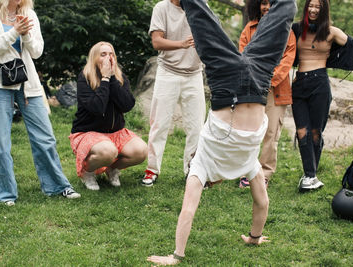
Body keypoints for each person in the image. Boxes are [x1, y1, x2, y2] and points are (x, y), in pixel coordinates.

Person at [147, 0, 296, 265]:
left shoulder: (237, 166)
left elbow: (262, 202)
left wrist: (177, 256)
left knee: (285, 11)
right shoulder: (206, 165)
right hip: (247, 79)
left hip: (251, 83)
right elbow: (189, 210)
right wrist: (253, 237)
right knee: (203, 16)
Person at [0, 0, 81, 206]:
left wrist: (25, 34)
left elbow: (36, 52)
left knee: (45, 138)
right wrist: (13, 32)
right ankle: (5, 194)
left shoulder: (29, 14)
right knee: (0, 143)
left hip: (28, 83)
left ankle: (57, 186)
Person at [291, 0, 353, 192]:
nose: (313, 9)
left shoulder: (331, 31)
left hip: (320, 84)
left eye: (317, 7)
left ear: (323, 10)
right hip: (299, 84)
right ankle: (310, 175)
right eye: (310, 6)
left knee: (315, 133)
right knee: (301, 132)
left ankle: (310, 175)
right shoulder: (295, 29)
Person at [142, 0, 206, 187]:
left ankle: (192, 170)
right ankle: (152, 169)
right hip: (168, 72)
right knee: (159, 123)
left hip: (194, 74)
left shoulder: (201, 6)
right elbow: (156, 41)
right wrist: (182, 44)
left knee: (196, 127)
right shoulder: (162, 8)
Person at [69, 42, 147, 190]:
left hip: (115, 133)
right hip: (88, 132)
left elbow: (127, 105)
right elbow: (97, 108)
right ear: (95, 58)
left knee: (141, 151)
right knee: (108, 151)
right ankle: (88, 172)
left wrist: (112, 79)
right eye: (103, 54)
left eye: (111, 54)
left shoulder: (119, 76)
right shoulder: (85, 77)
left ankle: (112, 169)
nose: (108, 58)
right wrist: (104, 79)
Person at [238, 0, 296, 188]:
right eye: (263, 3)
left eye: (271, 3)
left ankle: (263, 173)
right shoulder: (249, 28)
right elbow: (243, 54)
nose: (267, 8)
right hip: (253, 88)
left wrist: (270, 79)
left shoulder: (286, 31)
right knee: (250, 131)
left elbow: (288, 59)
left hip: (276, 89)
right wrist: (256, 78)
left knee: (271, 133)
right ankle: (247, 170)